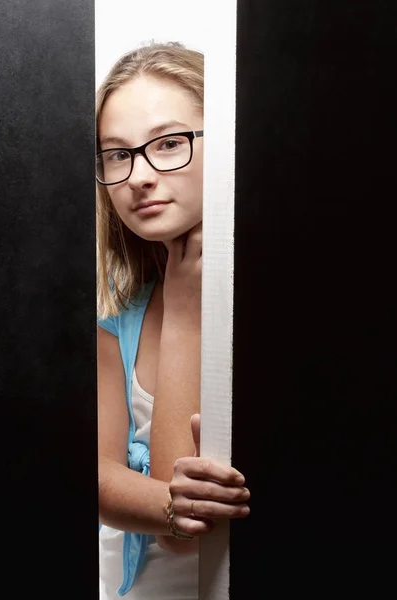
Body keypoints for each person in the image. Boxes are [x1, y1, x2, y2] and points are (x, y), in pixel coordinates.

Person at [96, 42, 250, 599]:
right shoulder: (114, 319)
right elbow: (107, 479)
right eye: (117, 154)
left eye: (168, 144)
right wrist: (182, 306)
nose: (139, 175)